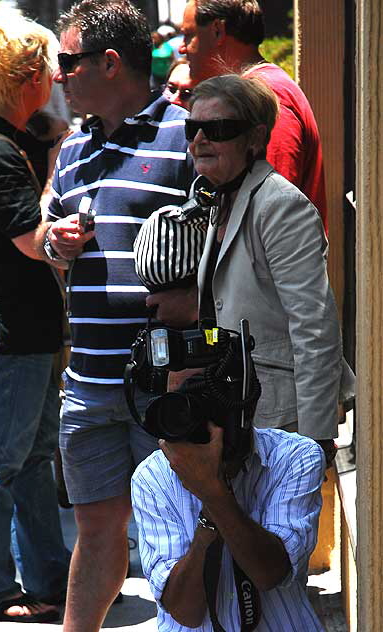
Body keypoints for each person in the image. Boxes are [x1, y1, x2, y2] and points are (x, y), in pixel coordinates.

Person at [37, 1, 194, 629]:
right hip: (89, 386)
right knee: (96, 532)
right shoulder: (74, 150)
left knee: (180, 533)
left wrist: (190, 297)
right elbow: (53, 243)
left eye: (68, 63)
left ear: (109, 62)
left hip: (165, 386)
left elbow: (231, 246)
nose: (58, 77)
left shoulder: (187, 136)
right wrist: (57, 244)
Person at [146, 74, 354, 461]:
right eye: (193, 128)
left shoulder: (280, 206)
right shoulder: (220, 199)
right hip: (233, 414)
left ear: (255, 138)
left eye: (218, 129)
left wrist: (313, 441)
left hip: (280, 425)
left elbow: (315, 328)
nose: (199, 140)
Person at [0, 3, 70, 623]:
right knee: (0, 456)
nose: (59, 77)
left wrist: (53, 135)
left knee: (31, 456)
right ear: (29, 75)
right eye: (51, 68)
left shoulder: (12, 136)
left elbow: (47, 133)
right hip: (11, 319)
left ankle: (50, 579)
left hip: (28, 320)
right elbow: (33, 239)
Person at [131, 420, 327, 631]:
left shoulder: (296, 456)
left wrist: (215, 494)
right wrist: (209, 511)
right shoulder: (152, 476)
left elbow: (270, 574)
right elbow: (185, 612)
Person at [179, 0, 329, 231]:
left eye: (189, 35)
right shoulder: (260, 90)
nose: (182, 48)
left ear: (218, 30)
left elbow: (276, 209)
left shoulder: (268, 95)